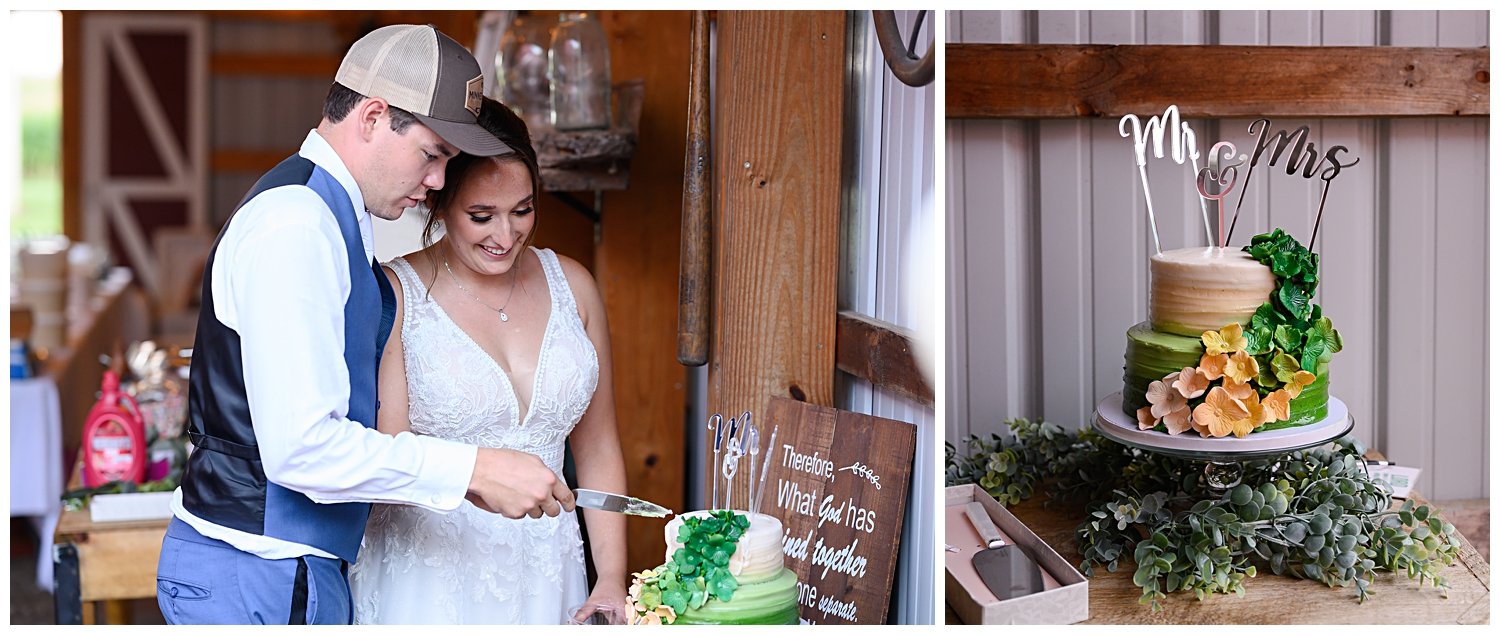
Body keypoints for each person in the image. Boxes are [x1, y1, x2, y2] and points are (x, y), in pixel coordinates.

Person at [155, 25, 574, 625]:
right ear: (374, 116)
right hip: (258, 572)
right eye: (431, 155)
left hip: (288, 570)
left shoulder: (331, 215)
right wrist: (473, 469)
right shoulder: (297, 225)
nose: (435, 183)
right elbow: (302, 448)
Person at [348, 97, 628, 624]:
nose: (506, 237)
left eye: (523, 210)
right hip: (432, 581)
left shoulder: (574, 286)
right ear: (437, 202)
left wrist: (610, 577)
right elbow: (389, 458)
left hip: (551, 572)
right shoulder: (395, 295)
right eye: (482, 216)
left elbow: (598, 448)